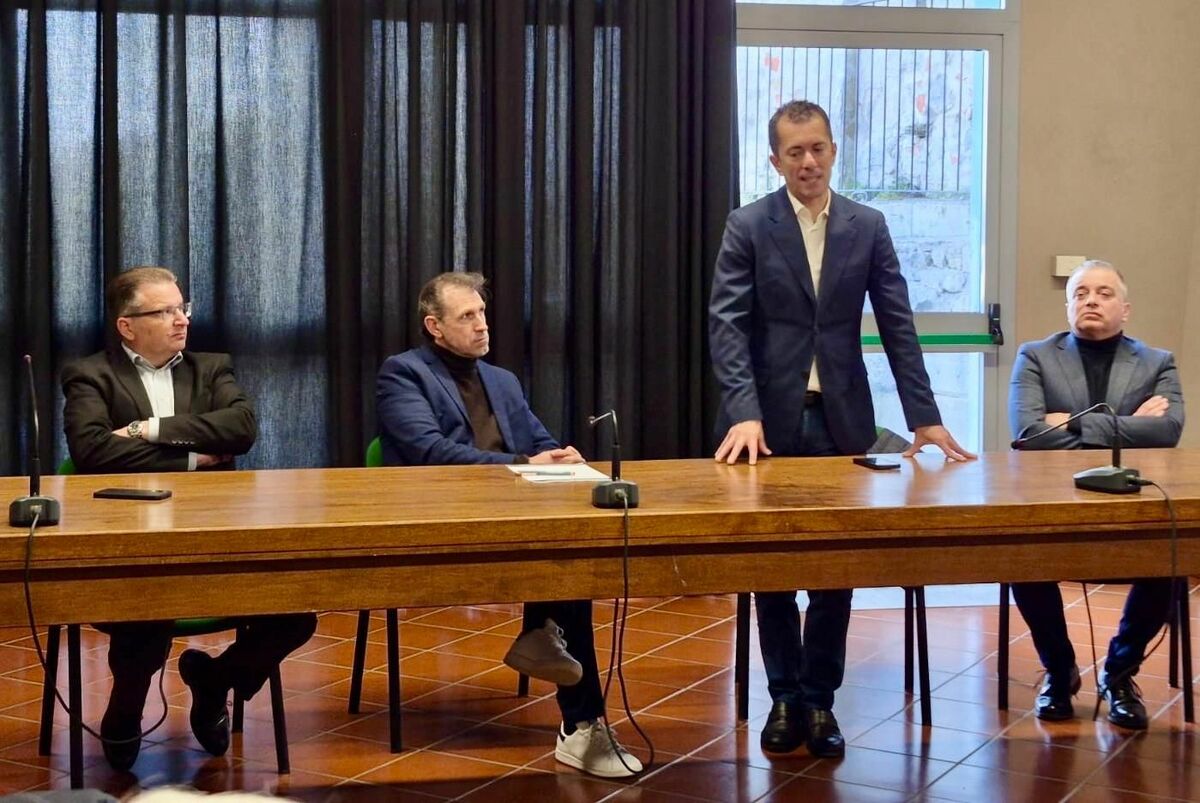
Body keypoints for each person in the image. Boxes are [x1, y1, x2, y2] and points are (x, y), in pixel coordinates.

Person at [708, 100, 974, 758]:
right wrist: (743, 410)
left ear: (833, 151)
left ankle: (820, 698)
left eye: (818, 148)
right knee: (770, 565)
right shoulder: (748, 225)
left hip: (842, 421)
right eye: (795, 152)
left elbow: (898, 323)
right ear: (776, 161)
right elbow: (727, 327)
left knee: (836, 566)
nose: (809, 161)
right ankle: (782, 695)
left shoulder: (867, 225)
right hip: (765, 424)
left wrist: (925, 417)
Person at [375, 271, 642, 779]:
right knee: (564, 566)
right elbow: (428, 452)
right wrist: (523, 462)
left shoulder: (502, 380)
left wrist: (561, 456)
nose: (482, 325)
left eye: (482, 313)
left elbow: (538, 440)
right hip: (440, 520)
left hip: (514, 516)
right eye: (467, 316)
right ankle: (551, 658)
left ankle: (571, 702)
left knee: (574, 555)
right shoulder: (403, 373)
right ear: (434, 326)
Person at [61, 267, 318, 772]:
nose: (181, 320)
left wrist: (145, 429)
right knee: (149, 606)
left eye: (183, 308)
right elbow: (92, 452)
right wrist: (192, 458)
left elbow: (241, 429)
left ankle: (216, 679)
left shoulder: (212, 368)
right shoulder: (90, 375)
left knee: (295, 614)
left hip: (214, 536)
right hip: (130, 541)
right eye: (165, 311)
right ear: (127, 326)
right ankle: (126, 705)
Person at [1009, 260, 1184, 729]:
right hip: (1051, 503)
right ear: (1068, 306)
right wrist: (1129, 427)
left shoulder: (1157, 361)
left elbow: (1167, 430)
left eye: (1104, 293)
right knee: (1019, 562)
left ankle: (1120, 674)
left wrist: (1070, 423)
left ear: (1125, 309)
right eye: (1080, 292)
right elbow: (1027, 434)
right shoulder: (1035, 356)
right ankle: (1059, 670)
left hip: (1131, 503)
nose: (1091, 300)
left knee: (1169, 563)